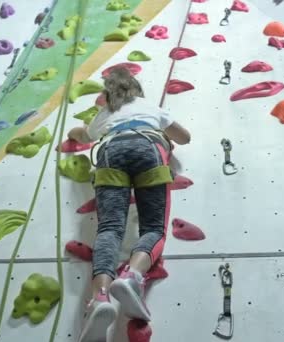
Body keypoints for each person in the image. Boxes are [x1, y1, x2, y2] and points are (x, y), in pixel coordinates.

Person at [69, 67, 190, 342]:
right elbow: (185, 137)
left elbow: (83, 135)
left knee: (109, 229)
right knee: (152, 227)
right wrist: (166, 133)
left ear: (109, 94)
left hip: (111, 152)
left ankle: (100, 298)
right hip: (149, 147)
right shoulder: (149, 106)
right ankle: (133, 276)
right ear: (137, 89)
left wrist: (75, 133)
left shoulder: (105, 114)